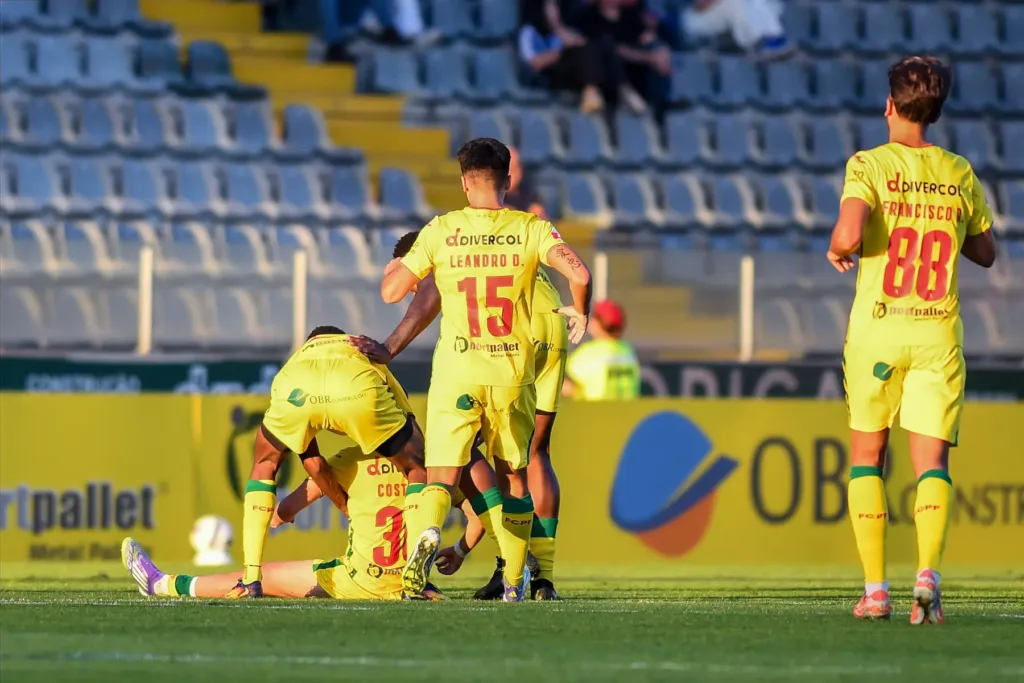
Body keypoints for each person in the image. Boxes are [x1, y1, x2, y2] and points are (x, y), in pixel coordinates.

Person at [378, 138, 592, 602]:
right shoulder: (532, 228)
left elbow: (393, 292)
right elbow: (580, 275)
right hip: (513, 369)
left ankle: (428, 537)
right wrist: (582, 310)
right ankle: (516, 579)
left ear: (463, 182)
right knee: (519, 470)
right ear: (508, 181)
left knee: (440, 473)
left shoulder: (441, 230)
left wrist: (406, 265)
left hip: (457, 369)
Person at [828, 56, 996, 625]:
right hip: (935, 332)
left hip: (877, 330)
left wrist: (840, 246)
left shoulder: (868, 164)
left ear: (890, 105)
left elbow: (850, 232)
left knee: (867, 460)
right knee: (932, 464)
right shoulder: (959, 171)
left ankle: (876, 591)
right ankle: (928, 576)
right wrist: (942, 222)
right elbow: (987, 252)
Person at [351, 228, 569, 600]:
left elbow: (431, 291)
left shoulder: (444, 247)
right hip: (551, 320)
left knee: (452, 450)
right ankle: (536, 576)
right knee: (533, 454)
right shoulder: (495, 234)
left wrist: (389, 347)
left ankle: (445, 550)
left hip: (505, 338)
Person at [228, 325, 432, 599]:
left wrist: (341, 505)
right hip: (354, 385)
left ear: (311, 342)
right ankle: (415, 580)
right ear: (339, 337)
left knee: (264, 464)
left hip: (298, 390)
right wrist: (411, 457)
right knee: (418, 467)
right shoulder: (361, 350)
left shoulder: (295, 361)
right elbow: (410, 425)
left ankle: (251, 577)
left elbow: (314, 464)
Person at [121, 442, 444, 601]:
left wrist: (279, 515)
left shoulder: (352, 459)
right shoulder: (430, 461)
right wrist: (459, 549)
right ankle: (493, 582)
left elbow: (288, 507)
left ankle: (162, 584)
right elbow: (474, 513)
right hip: (409, 586)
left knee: (259, 577)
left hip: (357, 581)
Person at [569, 0, 672, 116]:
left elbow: (647, 38)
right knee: (606, 49)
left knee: (660, 54)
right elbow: (612, 49)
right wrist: (646, 57)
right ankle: (622, 89)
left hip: (633, 69)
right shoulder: (588, 17)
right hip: (602, 73)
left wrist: (660, 53)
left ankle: (663, 103)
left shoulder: (630, 16)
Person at [563, 299, 641, 400]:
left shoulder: (589, 353)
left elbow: (564, 381)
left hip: (596, 412)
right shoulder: (628, 351)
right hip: (628, 413)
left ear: (597, 323)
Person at [681, 0, 791, 60]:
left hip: (719, 11)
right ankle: (756, 45)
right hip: (696, 19)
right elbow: (701, 4)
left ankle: (772, 41)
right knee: (736, 3)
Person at [505, 145, 548, 219]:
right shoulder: (492, 195)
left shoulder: (528, 192)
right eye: (507, 170)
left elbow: (544, 219)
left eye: (514, 169)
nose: (510, 174)